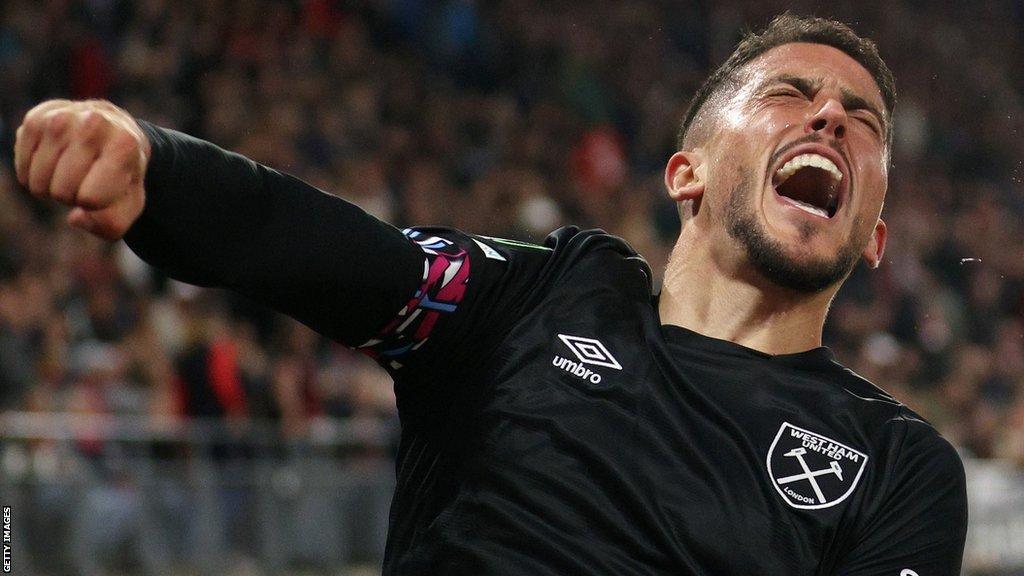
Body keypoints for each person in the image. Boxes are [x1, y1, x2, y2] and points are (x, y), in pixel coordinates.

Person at [14, 13, 967, 576]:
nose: (833, 116)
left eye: (866, 121)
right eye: (791, 94)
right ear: (686, 175)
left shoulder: (897, 464)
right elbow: (334, 254)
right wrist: (158, 167)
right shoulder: (545, 297)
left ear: (874, 236)